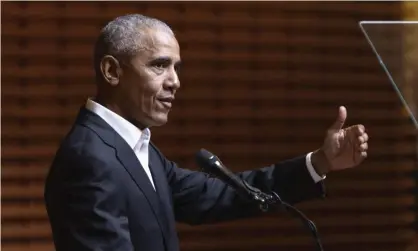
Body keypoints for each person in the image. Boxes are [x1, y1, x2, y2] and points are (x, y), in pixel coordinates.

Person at [44, 14, 369, 251]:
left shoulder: (134, 145)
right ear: (112, 71)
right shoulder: (89, 158)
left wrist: (320, 162)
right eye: (159, 65)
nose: (175, 81)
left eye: (177, 68)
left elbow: (223, 194)